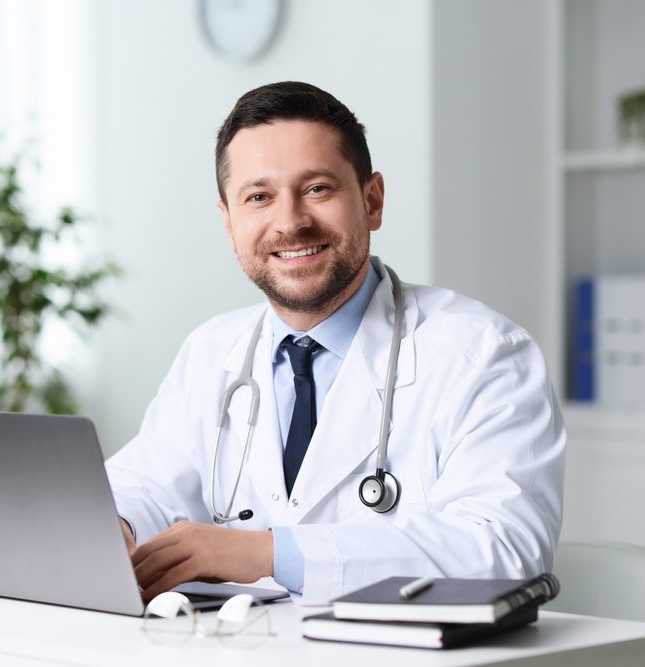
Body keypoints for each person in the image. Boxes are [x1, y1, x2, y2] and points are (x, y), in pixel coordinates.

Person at [106, 81, 565, 606]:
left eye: (318, 188)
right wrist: (114, 523)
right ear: (230, 223)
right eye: (259, 197)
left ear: (372, 201)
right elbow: (145, 481)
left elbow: (506, 549)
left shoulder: (485, 355)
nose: (290, 222)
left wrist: (270, 554)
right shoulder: (211, 352)